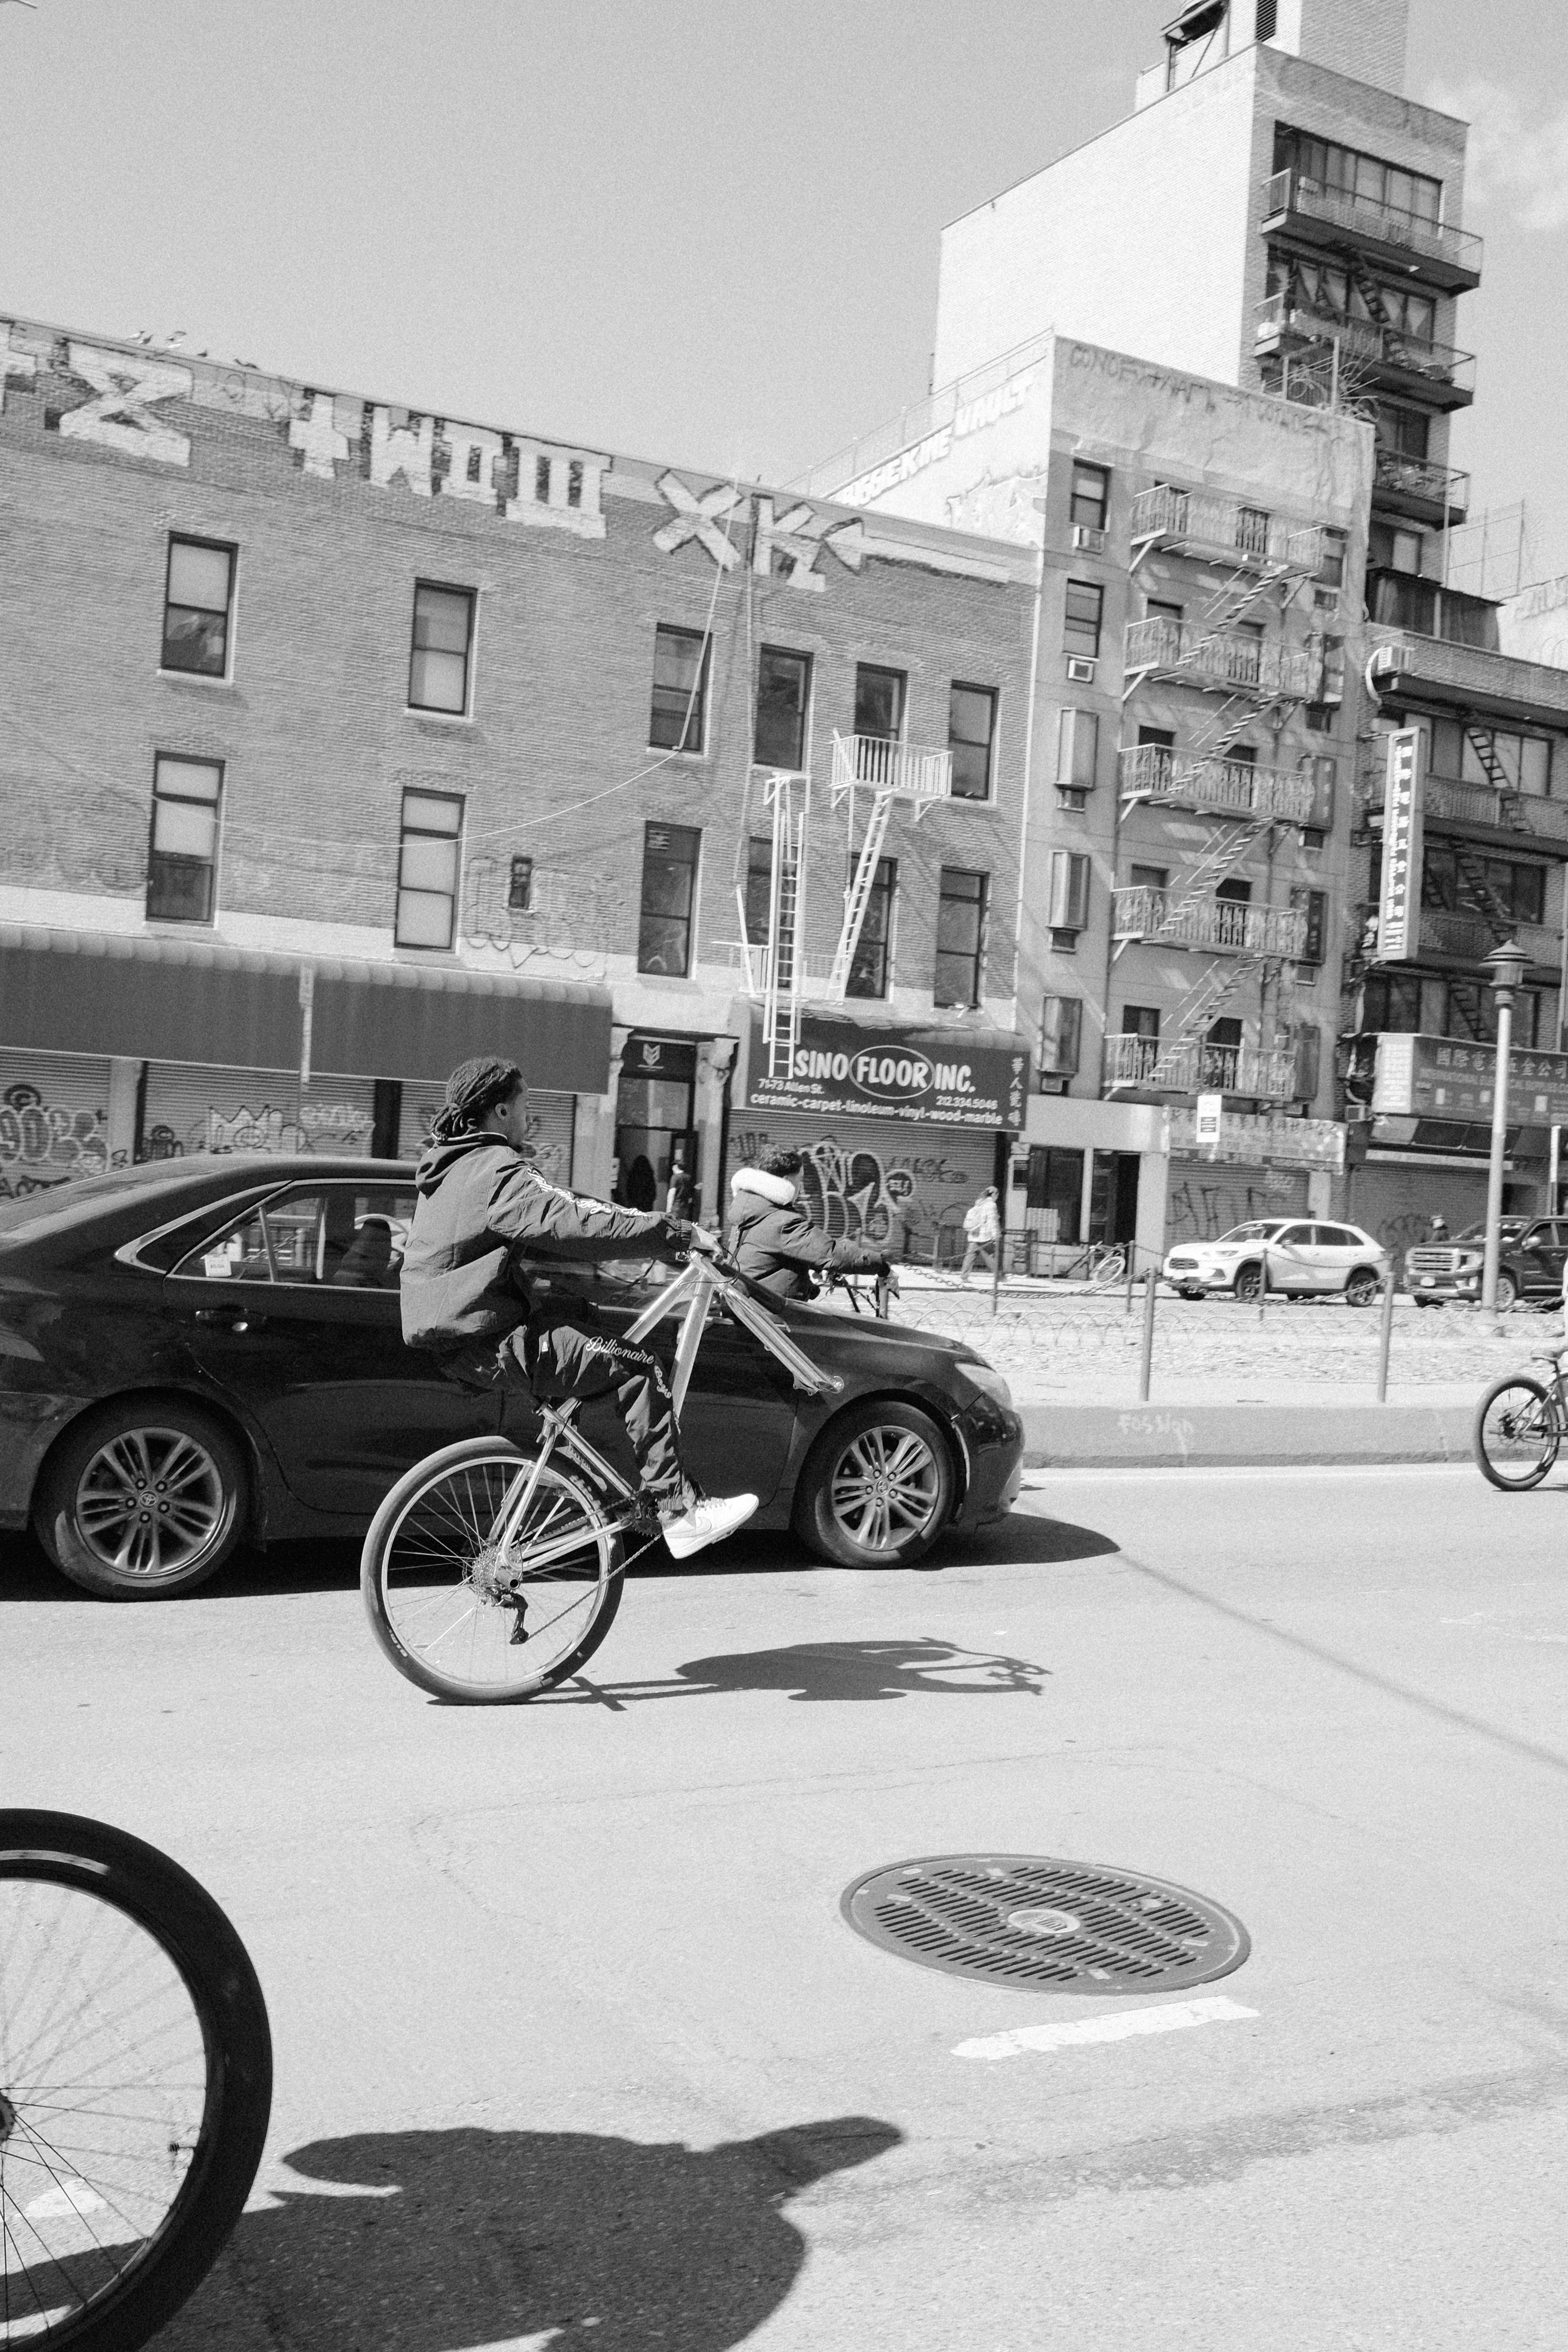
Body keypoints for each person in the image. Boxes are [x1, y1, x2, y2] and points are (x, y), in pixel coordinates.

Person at [400, 1057, 757, 1561]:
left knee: (587, 1323)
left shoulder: (450, 1167)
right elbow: (578, 1221)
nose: (530, 1115)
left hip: (459, 1336)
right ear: (502, 1110)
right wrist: (675, 1234)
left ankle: (580, 1483)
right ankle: (679, 1512)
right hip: (493, 1340)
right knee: (638, 1369)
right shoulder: (498, 1171)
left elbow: (505, 1241)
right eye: (526, 1104)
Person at [725, 1149, 891, 1302]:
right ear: (788, 1181)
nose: (801, 1186)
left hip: (749, 1306)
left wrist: (806, 1284)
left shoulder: (751, 1211)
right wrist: (882, 1265)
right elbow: (832, 1253)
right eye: (801, 1180)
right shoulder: (784, 1222)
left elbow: (764, 1266)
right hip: (772, 1318)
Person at [960, 1186, 1001, 1280]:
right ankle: (1000, 1277)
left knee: (970, 1257)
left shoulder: (979, 1203)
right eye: (998, 1194)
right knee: (990, 1256)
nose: (998, 1197)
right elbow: (993, 1222)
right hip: (984, 1236)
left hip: (974, 1234)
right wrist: (996, 1236)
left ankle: (964, 1276)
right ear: (994, 1194)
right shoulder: (991, 1205)